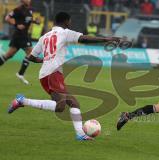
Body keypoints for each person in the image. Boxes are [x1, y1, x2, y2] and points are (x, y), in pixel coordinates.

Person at [7, 12, 120, 141]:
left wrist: (45, 60)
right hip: (53, 74)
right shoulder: (65, 33)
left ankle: (80, 134)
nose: (70, 24)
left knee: (73, 103)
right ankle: (22, 101)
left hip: (47, 74)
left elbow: (31, 57)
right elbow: (84, 39)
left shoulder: (44, 37)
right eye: (69, 21)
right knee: (61, 106)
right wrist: (106, 39)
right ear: (66, 21)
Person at [0, 0, 39, 85]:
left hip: (20, 36)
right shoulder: (18, 9)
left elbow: (28, 19)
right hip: (20, 35)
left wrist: (35, 21)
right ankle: (20, 73)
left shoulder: (30, 9)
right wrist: (16, 25)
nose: (29, 0)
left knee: (8, 55)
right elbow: (7, 18)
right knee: (31, 53)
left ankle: (20, 74)